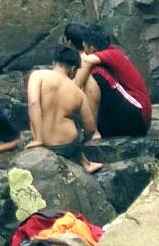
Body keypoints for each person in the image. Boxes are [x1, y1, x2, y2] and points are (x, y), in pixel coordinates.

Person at [63, 23, 152, 137]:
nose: (83, 49)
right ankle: (91, 129)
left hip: (138, 114)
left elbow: (86, 61)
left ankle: (93, 131)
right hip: (127, 118)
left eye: (84, 45)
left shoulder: (113, 54)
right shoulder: (106, 54)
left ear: (92, 48)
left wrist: (72, 90)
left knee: (94, 73)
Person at [26, 45, 102, 175]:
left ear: (54, 62)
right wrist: (81, 140)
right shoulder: (78, 93)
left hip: (43, 142)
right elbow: (90, 128)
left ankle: (39, 138)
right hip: (67, 145)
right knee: (75, 125)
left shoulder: (38, 75)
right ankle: (86, 163)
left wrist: (38, 139)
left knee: (35, 115)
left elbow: (33, 103)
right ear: (73, 69)